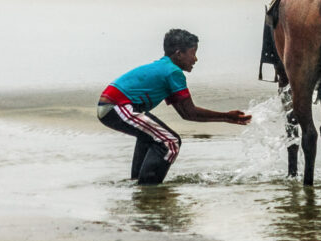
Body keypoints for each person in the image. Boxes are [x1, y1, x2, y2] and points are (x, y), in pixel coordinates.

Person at [97, 28, 252, 185]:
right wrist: (227, 116)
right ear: (179, 54)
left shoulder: (165, 69)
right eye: (193, 53)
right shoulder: (173, 72)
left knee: (154, 137)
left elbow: (186, 114)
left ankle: (138, 185)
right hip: (117, 106)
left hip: (112, 107)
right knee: (170, 142)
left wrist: (226, 118)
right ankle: (150, 191)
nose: (196, 59)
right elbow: (191, 111)